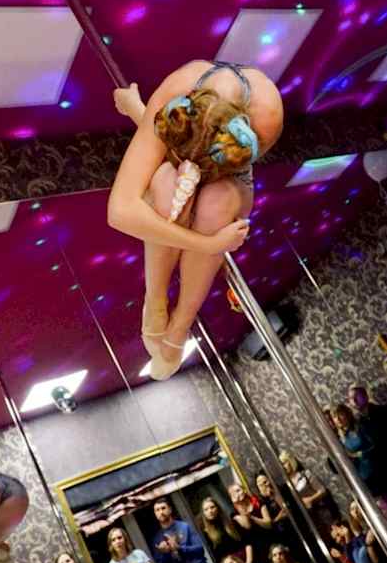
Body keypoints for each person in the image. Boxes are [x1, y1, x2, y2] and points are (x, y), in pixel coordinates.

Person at [108, 62, 283, 380]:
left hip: (230, 175)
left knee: (215, 205)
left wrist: (140, 114)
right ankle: (155, 300)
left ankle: (180, 324)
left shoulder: (266, 116)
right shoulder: (177, 88)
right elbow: (120, 210)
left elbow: (225, 168)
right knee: (167, 184)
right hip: (179, 159)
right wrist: (209, 245)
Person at [278, 451, 338, 537]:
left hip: (322, 512)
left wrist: (311, 499)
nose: (283, 467)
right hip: (307, 521)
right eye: (281, 465)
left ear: (290, 461)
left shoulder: (305, 474)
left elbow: (323, 490)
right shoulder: (285, 486)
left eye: (284, 463)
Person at [333, 404, 379, 493]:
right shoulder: (340, 438)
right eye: (335, 416)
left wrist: (359, 454)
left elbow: (375, 445)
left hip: (375, 469)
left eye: (340, 414)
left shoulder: (360, 426)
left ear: (347, 414)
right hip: (361, 478)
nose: (338, 419)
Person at [227, 483, 273, 563]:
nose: (237, 494)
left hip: (270, 540)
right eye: (233, 493)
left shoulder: (258, 503)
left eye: (238, 490)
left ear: (244, 490)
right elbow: (247, 525)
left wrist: (252, 517)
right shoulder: (234, 514)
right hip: (256, 550)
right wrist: (239, 505)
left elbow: (268, 524)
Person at [197, 497, 248, 563]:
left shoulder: (231, 522)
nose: (210, 511)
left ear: (218, 508)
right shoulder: (205, 533)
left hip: (244, 557)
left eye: (212, 507)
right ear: (203, 513)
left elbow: (247, 542)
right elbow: (216, 558)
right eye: (206, 509)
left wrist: (249, 562)